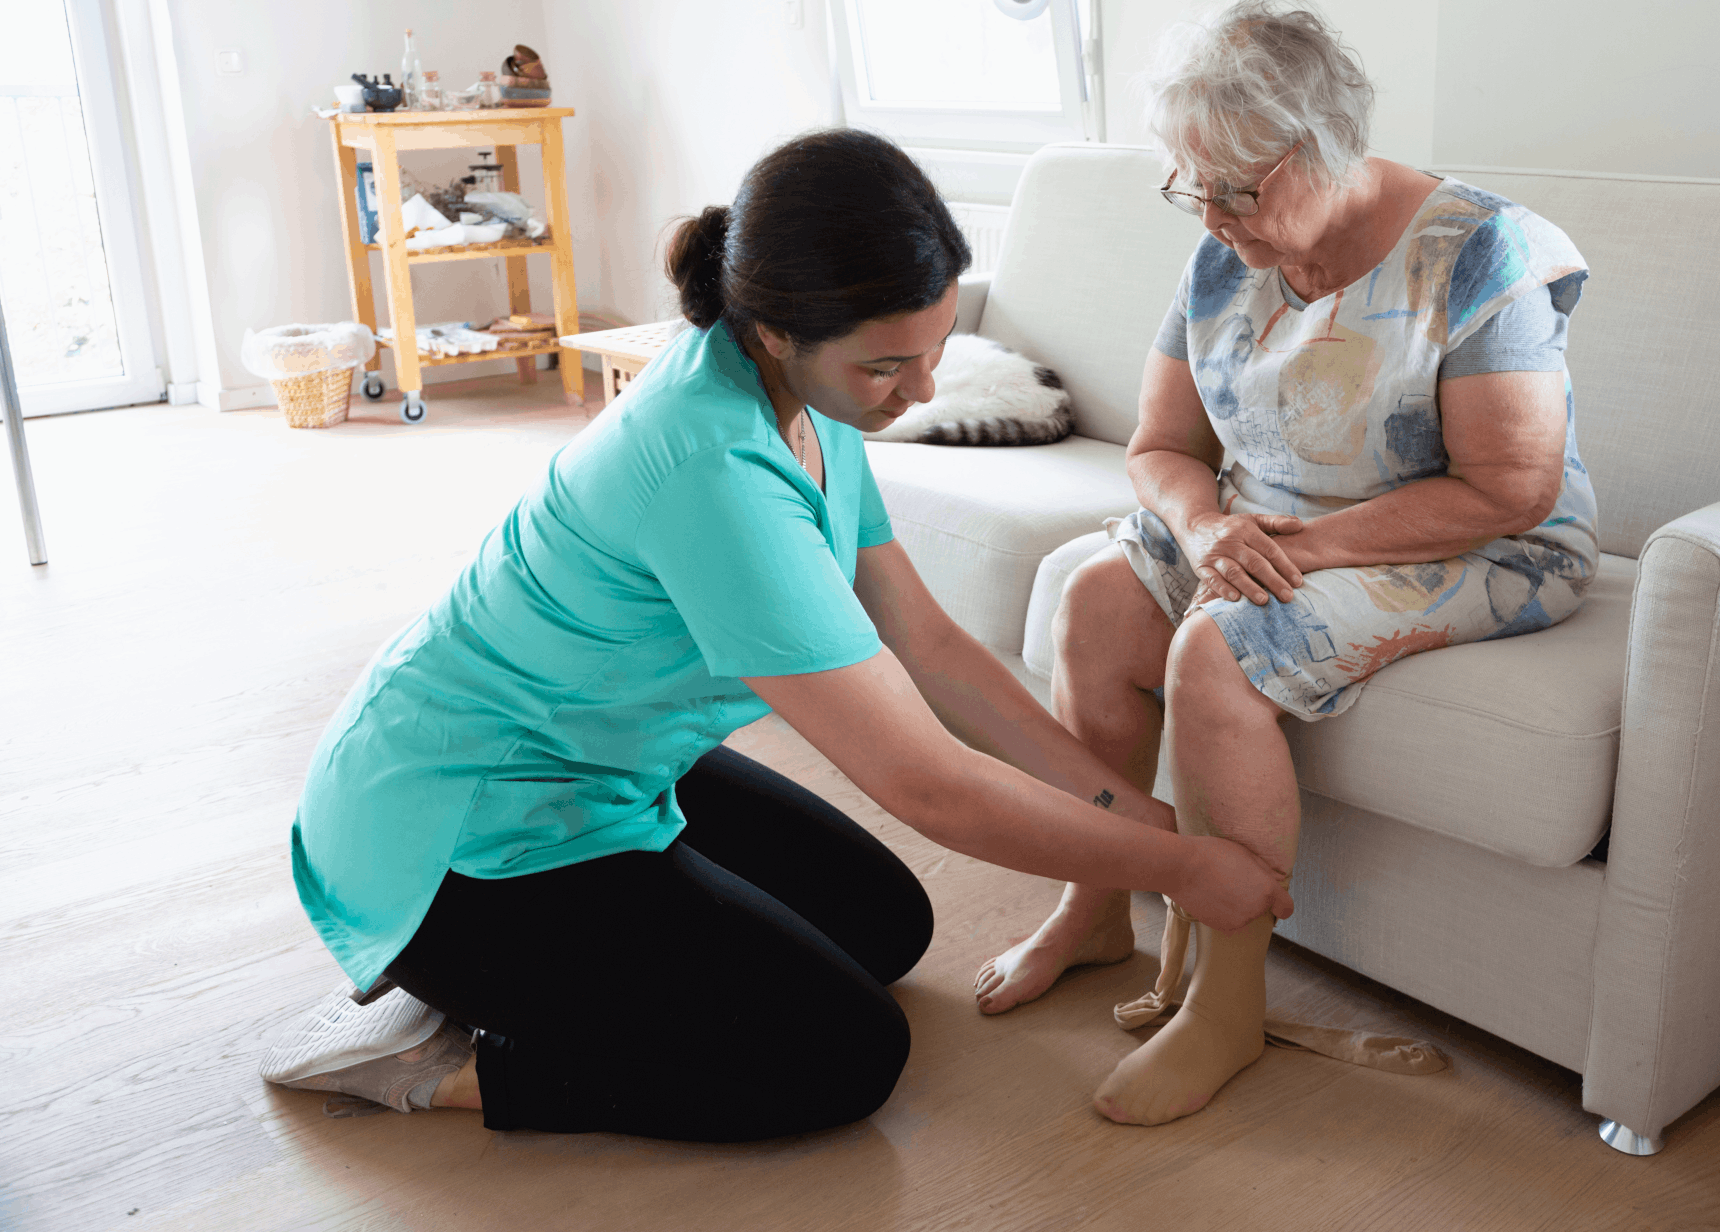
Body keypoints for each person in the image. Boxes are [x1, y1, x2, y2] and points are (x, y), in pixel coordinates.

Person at [261, 129, 1292, 1142]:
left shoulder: (815, 399)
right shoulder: (709, 466)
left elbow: (928, 647)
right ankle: (441, 1057)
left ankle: (554, 984)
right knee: (839, 1057)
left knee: (884, 927)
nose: (922, 391)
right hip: (454, 835)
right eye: (889, 365)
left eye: (931, 354)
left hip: (595, 761)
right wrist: (1183, 869)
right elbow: (925, 783)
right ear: (772, 331)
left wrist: (1132, 818)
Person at [971, 0, 1600, 1127]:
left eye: (1235, 189)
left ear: (1321, 148)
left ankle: (1226, 1001)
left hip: (1483, 540)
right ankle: (1097, 901)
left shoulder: (1479, 249)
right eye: (1189, 185)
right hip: (1266, 521)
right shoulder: (1226, 254)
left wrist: (1291, 550)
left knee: (1219, 646)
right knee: (1097, 599)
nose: (1209, 216)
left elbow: (1512, 485)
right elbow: (1161, 447)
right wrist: (1209, 529)